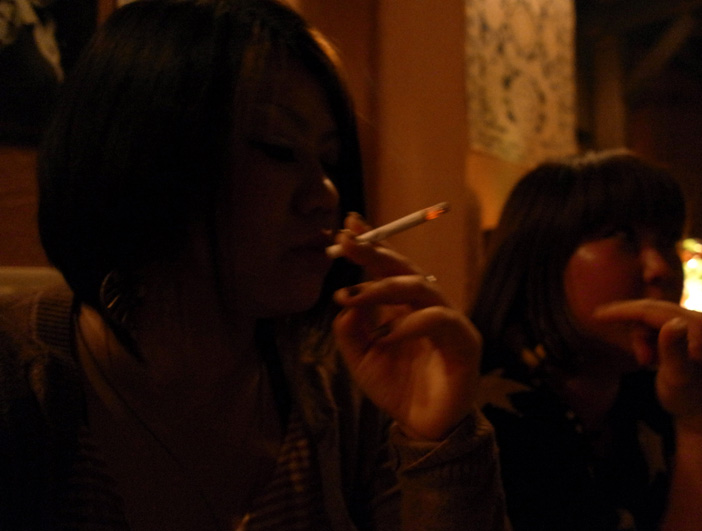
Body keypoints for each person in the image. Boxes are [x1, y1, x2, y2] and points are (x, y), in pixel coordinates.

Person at [0, 1, 508, 529]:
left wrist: (439, 443)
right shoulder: (21, 384)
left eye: (330, 160)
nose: (326, 195)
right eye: (279, 149)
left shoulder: (350, 393)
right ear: (144, 156)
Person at [472, 149, 702, 531]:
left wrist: (700, 413)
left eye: (668, 241)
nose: (661, 269)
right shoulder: (481, 421)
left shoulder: (659, 394)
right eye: (624, 237)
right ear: (541, 257)